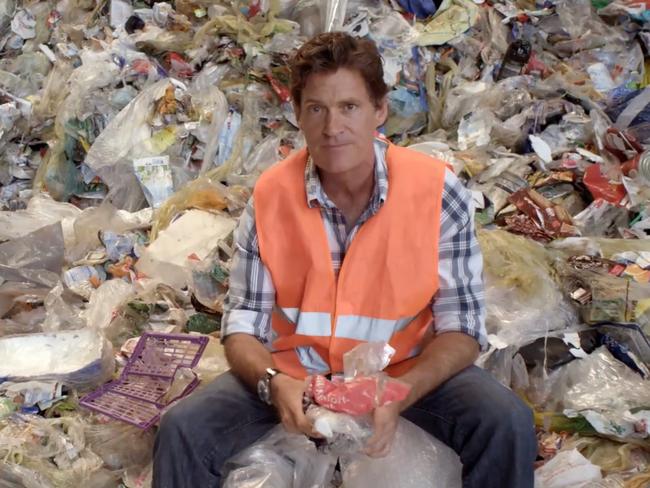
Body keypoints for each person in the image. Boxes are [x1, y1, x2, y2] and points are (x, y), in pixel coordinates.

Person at [153, 32, 537, 488]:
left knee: (505, 422)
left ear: (380, 110)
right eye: (316, 108)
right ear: (297, 114)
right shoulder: (272, 195)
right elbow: (242, 325)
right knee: (182, 430)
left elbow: (462, 326)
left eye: (349, 107)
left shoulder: (437, 191)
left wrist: (402, 390)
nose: (332, 127)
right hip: (297, 373)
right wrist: (274, 383)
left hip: (399, 371)